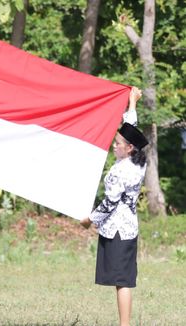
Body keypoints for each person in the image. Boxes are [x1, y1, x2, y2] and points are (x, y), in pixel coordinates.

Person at [80, 87, 148, 326]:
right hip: (129, 225)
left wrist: (90, 220)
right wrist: (132, 103)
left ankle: (125, 324)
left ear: (129, 148)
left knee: (122, 280)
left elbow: (110, 202)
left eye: (118, 143)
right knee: (123, 278)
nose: (114, 146)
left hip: (118, 228)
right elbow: (131, 129)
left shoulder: (122, 170)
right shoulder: (138, 161)